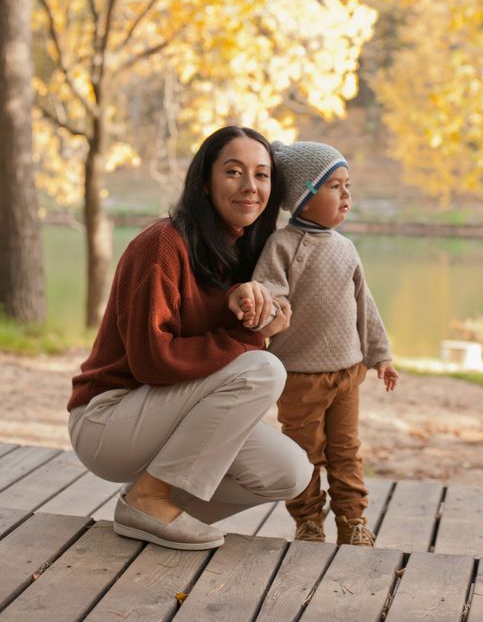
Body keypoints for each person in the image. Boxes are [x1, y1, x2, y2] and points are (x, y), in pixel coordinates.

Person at [67, 126, 313, 551]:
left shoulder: (245, 254)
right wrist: (251, 338)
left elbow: (224, 351)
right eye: (233, 172)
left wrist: (268, 321)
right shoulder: (162, 244)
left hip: (166, 415)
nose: (250, 187)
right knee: (261, 368)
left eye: (262, 174)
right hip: (108, 417)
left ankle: (146, 506)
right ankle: (151, 497)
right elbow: (153, 362)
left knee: (289, 471)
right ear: (204, 181)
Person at [232, 140, 399, 547]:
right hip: (300, 376)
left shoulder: (346, 248)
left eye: (348, 186)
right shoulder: (283, 246)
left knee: (346, 450)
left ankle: (353, 520)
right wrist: (268, 310)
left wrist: (381, 356)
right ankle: (308, 519)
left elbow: (366, 306)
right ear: (304, 197)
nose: (346, 196)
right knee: (304, 453)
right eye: (335, 187)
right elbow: (270, 295)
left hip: (349, 372)